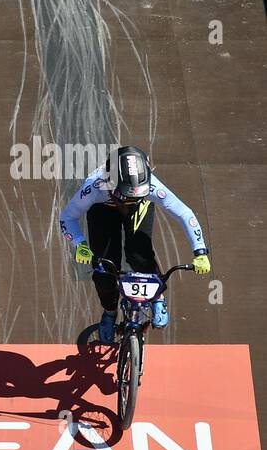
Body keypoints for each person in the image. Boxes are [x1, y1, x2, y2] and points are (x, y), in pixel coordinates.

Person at [59, 145, 211, 343]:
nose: (129, 197)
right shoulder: (93, 187)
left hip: (140, 206)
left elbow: (184, 214)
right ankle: (110, 311)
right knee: (104, 266)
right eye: (126, 194)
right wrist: (80, 244)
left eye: (135, 193)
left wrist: (200, 251)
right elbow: (67, 217)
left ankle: (157, 298)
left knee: (139, 254)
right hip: (103, 208)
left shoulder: (150, 186)